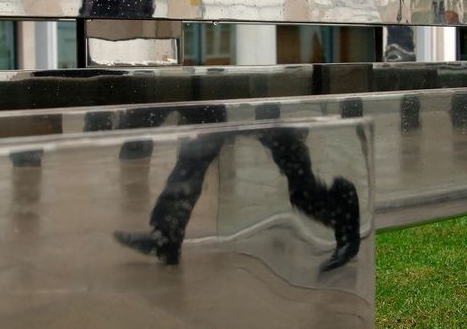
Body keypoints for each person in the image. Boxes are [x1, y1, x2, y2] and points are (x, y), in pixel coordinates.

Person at [112, 103, 362, 272]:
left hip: (264, 103)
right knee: (193, 159)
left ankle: (342, 212)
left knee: (298, 183)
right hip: (230, 99)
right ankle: (165, 236)